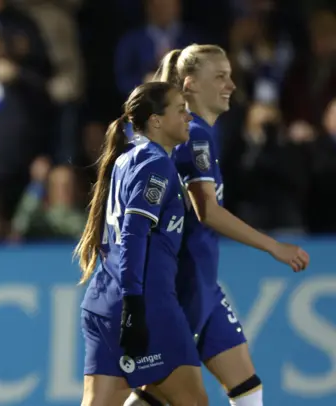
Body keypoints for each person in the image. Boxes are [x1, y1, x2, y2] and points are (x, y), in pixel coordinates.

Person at [126, 44, 310, 406]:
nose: (232, 85)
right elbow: (206, 210)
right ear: (191, 83)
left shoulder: (200, 134)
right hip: (184, 283)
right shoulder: (192, 135)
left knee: (247, 386)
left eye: (230, 75)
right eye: (220, 76)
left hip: (204, 282)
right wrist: (274, 246)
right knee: (160, 396)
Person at [76, 81, 208, 406]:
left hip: (101, 300)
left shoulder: (126, 160)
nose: (189, 117)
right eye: (180, 110)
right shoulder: (156, 164)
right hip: (145, 302)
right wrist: (134, 306)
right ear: (156, 121)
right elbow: (135, 233)